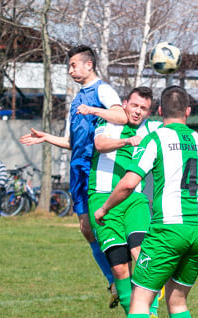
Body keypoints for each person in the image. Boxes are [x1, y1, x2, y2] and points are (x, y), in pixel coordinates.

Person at [95, 86, 198, 318]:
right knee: (178, 301)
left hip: (168, 231)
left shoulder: (156, 139)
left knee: (140, 298)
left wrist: (103, 209)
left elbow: (129, 182)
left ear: (161, 111)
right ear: (188, 112)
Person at [19, 45, 127, 303]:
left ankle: (127, 278)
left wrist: (94, 111)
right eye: (69, 66)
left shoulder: (102, 90)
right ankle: (113, 280)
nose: (70, 70)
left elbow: (121, 115)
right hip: (77, 166)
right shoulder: (77, 98)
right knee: (85, 228)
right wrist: (46, 138)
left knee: (105, 226)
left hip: (95, 166)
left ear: (89, 65)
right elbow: (71, 141)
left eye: (73, 65)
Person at [89, 87, 162, 318]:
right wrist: (129, 142)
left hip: (134, 200)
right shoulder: (107, 122)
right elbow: (100, 145)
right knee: (120, 269)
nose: (137, 112)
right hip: (101, 198)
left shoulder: (152, 129)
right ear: (124, 104)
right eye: (134, 106)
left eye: (143, 108)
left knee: (140, 254)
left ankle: (151, 314)